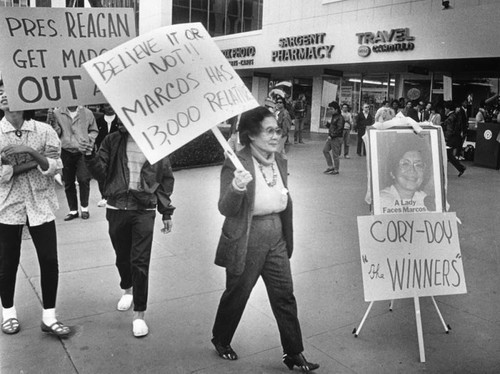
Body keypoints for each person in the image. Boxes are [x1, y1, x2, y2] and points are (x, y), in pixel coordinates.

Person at [211, 106, 319, 372]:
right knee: (238, 293)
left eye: (277, 130)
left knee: (285, 295)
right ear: (251, 135)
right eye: (269, 131)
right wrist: (236, 188)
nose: (276, 136)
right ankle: (221, 338)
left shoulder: (279, 159)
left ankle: (293, 352)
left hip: (277, 235)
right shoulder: (237, 163)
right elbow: (225, 208)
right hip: (248, 235)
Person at [79, 121, 175, 338]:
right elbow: (100, 172)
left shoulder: (157, 141)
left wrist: (166, 211)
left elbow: (165, 179)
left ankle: (139, 314)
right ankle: (127, 289)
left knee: (140, 260)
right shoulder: (112, 140)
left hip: (144, 208)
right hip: (117, 206)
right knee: (122, 256)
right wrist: (89, 155)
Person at [0, 80, 70, 337]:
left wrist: (28, 150)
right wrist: (36, 161)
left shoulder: (44, 130)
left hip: (41, 203)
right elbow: (1, 174)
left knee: (49, 259)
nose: (4, 96)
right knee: (7, 262)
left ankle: (49, 317)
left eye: (9, 90)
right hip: (7, 205)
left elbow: (55, 166)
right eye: (0, 92)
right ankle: (8, 313)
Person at [50, 105, 98, 221]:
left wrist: (88, 140)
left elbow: (94, 130)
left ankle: (84, 208)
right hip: (66, 150)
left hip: (82, 150)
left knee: (83, 179)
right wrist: (53, 122)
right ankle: (73, 210)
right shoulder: (57, 113)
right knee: (68, 181)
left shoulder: (86, 112)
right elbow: (56, 133)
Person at [379, 147, 433, 214]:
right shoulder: (380, 201)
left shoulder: (427, 202)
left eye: (418, 165)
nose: (412, 170)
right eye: (405, 164)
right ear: (392, 172)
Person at [94, 103, 119, 207]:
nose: (109, 107)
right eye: (106, 105)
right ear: (102, 107)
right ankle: (104, 196)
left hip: (117, 150)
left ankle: (116, 195)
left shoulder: (119, 120)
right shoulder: (99, 121)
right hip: (102, 150)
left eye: (111, 105)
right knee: (102, 173)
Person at [443, 101, 466, 177]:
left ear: (448, 109)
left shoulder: (451, 117)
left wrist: (446, 140)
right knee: (448, 155)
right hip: (454, 138)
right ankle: (460, 168)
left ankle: (460, 168)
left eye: (445, 108)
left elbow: (449, 130)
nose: (445, 110)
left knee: (447, 154)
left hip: (450, 139)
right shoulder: (455, 115)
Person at [323, 101, 344, 174]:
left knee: (335, 154)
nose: (330, 110)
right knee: (325, 150)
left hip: (336, 138)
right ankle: (330, 166)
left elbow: (339, 129)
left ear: (336, 109)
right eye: (329, 109)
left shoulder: (340, 117)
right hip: (331, 137)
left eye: (331, 109)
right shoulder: (334, 116)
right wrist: (327, 125)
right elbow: (333, 127)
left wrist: (331, 135)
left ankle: (336, 169)